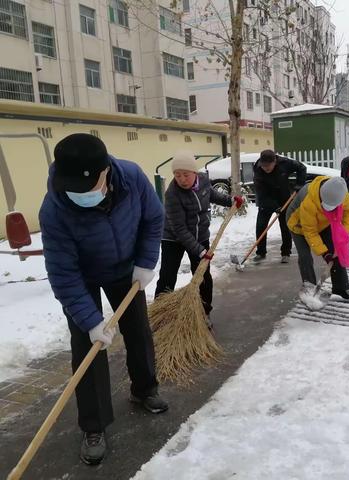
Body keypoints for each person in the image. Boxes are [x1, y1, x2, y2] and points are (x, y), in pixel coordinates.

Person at [39, 134, 167, 466]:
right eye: (73, 191)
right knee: (87, 345)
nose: (80, 196)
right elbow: (63, 274)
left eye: (87, 189)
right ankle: (93, 425)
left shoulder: (132, 178)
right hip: (82, 276)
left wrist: (145, 261)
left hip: (125, 267)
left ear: (105, 172)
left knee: (137, 329)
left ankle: (144, 389)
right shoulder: (54, 208)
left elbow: (153, 219)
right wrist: (91, 321)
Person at [155, 151, 243, 325]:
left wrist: (230, 200)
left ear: (194, 173)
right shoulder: (172, 194)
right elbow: (179, 229)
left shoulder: (203, 180)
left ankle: (204, 312)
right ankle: (161, 314)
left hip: (199, 234)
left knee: (203, 276)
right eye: (177, 175)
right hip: (173, 237)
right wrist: (200, 251)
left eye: (185, 175)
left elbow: (212, 195)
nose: (181, 179)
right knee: (167, 275)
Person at [287, 176, 349, 299]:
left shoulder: (343, 195)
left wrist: (347, 234)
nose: (329, 208)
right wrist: (324, 253)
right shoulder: (309, 202)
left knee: (336, 250)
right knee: (305, 257)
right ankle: (310, 290)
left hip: (324, 223)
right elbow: (310, 231)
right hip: (298, 225)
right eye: (326, 205)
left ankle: (340, 287)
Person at [252, 149, 307, 264]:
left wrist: (299, 184)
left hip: (283, 198)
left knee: (285, 226)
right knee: (261, 225)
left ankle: (286, 252)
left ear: (275, 161)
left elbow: (301, 168)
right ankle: (261, 252)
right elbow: (261, 193)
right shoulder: (258, 170)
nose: (266, 168)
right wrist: (274, 206)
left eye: (268, 166)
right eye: (264, 166)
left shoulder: (285, 163)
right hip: (266, 199)